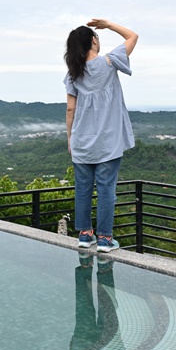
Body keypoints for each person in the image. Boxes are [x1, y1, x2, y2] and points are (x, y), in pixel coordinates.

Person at [64, 19, 138, 253]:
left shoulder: (74, 73)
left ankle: (85, 235)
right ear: (93, 40)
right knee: (106, 190)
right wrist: (108, 24)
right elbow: (133, 36)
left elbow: (70, 110)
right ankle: (105, 239)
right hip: (108, 142)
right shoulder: (109, 61)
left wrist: (70, 139)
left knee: (83, 189)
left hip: (81, 142)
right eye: (97, 37)